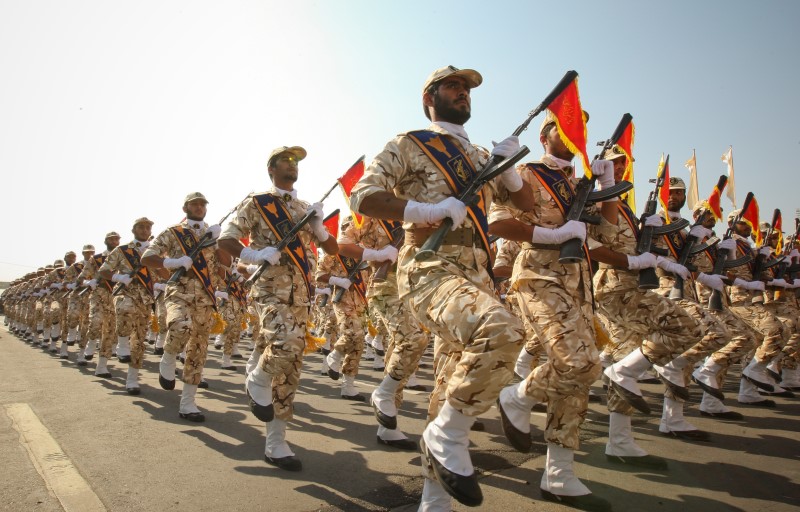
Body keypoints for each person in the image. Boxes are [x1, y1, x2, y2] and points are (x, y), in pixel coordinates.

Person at [350, 65, 534, 509]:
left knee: (450, 384)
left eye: (466, 88)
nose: (462, 93)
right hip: (429, 267)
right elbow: (363, 196)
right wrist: (423, 210)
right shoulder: (410, 144)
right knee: (503, 332)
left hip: (476, 276)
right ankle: (446, 434)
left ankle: (435, 497)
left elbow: (525, 206)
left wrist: (510, 174)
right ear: (429, 98)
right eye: (451, 86)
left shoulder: (479, 158)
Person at [490, 112, 616, 510]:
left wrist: (608, 185)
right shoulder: (526, 173)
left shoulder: (581, 184)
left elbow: (607, 232)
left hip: (578, 284)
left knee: (581, 370)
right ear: (545, 137)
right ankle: (517, 397)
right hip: (539, 279)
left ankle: (559, 472)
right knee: (577, 362)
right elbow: (498, 223)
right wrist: (552, 234)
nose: (573, 135)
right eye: (564, 127)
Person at [218, 146, 338, 472]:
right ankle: (256, 380)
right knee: (287, 343)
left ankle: (276, 441)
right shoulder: (257, 203)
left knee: (289, 367)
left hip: (302, 296)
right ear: (271, 168)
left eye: (296, 161)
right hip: (269, 291)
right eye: (286, 160)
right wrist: (254, 255)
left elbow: (332, 248)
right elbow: (227, 241)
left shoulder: (304, 207)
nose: (292, 164)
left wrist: (320, 226)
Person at [142, 192, 228, 421]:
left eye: (202, 204)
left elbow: (225, 266)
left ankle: (188, 403)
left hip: (205, 299)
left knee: (198, 351)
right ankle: (168, 357)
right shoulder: (174, 233)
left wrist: (220, 243)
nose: (199, 207)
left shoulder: (213, 235)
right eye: (194, 204)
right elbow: (148, 257)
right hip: (179, 292)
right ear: (185, 208)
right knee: (180, 326)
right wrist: (172, 262)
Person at [98, 219, 156, 394]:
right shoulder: (122, 250)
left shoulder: (155, 251)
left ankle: (132, 379)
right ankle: (122, 344)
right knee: (125, 310)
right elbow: (104, 270)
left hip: (145, 297)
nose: (144, 230)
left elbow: (163, 272)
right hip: (125, 292)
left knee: (139, 339)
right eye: (141, 227)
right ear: (133, 230)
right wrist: (118, 278)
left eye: (148, 227)